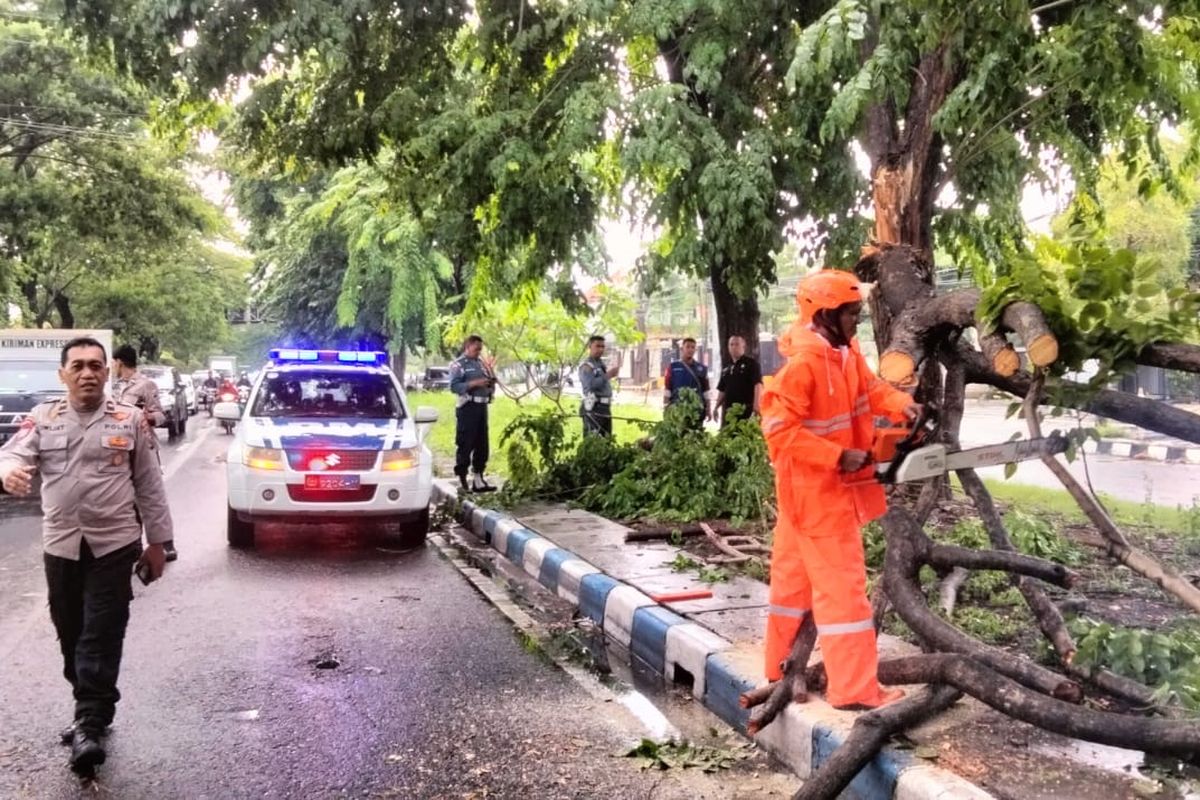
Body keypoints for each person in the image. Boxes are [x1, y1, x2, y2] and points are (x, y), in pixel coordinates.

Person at [0, 336, 173, 775]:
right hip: (60, 545)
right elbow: (11, 454)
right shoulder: (43, 418)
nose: (87, 373)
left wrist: (159, 544)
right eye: (77, 365)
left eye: (96, 365)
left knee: (100, 633)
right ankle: (88, 708)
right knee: (70, 632)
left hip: (114, 545)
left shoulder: (130, 420)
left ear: (108, 371)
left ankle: (90, 723)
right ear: (63, 375)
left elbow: (150, 487)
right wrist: (8, 473)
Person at [759, 270, 921, 710]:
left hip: (811, 495)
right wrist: (836, 456)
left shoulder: (844, 354)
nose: (857, 322)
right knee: (845, 593)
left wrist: (901, 404)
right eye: (850, 314)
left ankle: (780, 669)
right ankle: (855, 690)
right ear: (825, 314)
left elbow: (870, 391)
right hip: (819, 495)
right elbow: (777, 432)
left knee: (791, 587)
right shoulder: (804, 366)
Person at [111, 345, 177, 563]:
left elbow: (161, 415)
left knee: (151, 495)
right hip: (118, 447)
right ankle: (132, 544)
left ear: (119, 362)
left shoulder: (146, 385)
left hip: (144, 444)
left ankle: (166, 543)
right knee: (123, 497)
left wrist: (147, 418)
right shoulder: (112, 387)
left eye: (114, 362)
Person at [448, 335, 497, 493]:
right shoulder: (459, 365)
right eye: (476, 349)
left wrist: (491, 378)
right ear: (468, 346)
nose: (478, 352)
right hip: (468, 406)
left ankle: (478, 479)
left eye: (480, 350)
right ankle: (462, 479)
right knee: (465, 443)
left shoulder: (481, 364)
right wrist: (475, 383)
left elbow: (491, 381)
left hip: (482, 407)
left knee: (482, 444)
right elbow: (455, 387)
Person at [714, 335, 763, 427]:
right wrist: (716, 407)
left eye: (737, 344)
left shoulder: (751, 364)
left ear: (743, 347)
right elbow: (722, 389)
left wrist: (756, 405)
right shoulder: (726, 368)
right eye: (731, 344)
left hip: (746, 409)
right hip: (730, 412)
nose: (733, 347)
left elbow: (758, 384)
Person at [578, 335, 621, 437]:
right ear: (590, 346)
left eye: (602, 346)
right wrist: (608, 375)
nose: (601, 349)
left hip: (605, 407)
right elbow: (590, 385)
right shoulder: (587, 366)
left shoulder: (600, 364)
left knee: (606, 440)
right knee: (594, 441)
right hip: (594, 407)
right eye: (597, 346)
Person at [663, 337, 710, 429]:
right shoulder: (672, 367)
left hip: (696, 410)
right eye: (687, 347)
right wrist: (665, 406)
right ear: (682, 349)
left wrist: (708, 408)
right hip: (677, 409)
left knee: (696, 437)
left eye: (693, 347)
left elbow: (706, 391)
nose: (690, 350)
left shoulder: (702, 368)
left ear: (695, 350)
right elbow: (667, 388)